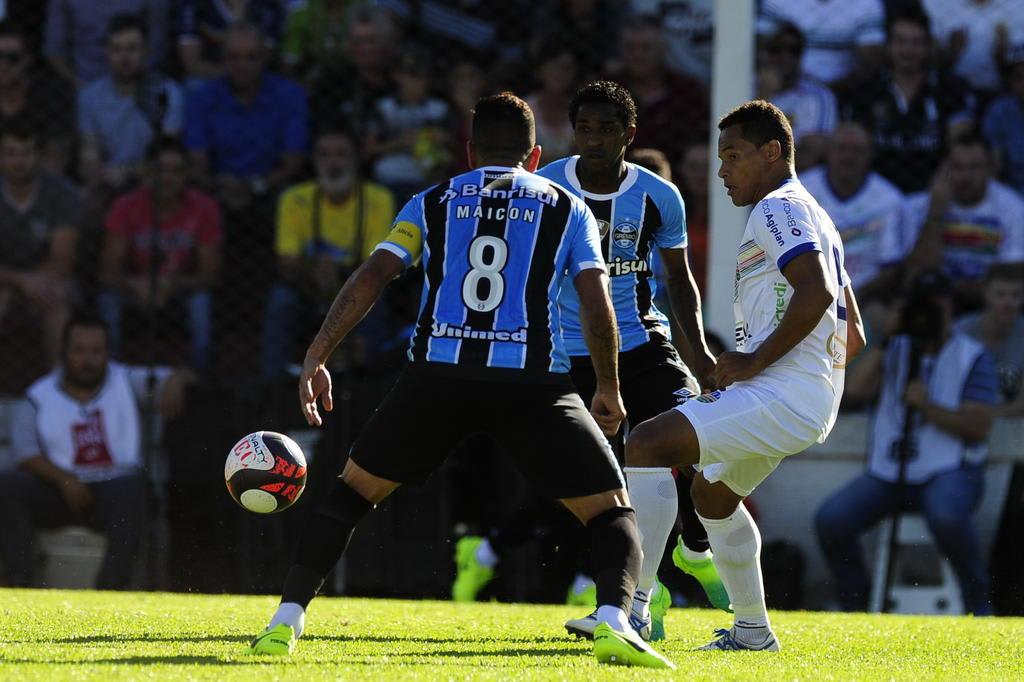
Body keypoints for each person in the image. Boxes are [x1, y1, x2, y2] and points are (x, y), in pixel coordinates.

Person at [245, 92, 674, 669]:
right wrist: (608, 387)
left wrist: (318, 354)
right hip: (532, 383)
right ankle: (617, 620)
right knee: (611, 512)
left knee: (348, 494)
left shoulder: (432, 200)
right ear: (535, 153)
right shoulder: (567, 207)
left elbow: (373, 276)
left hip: (437, 378)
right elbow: (597, 305)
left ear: (470, 152)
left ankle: (285, 620)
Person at [450, 83, 724, 641]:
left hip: (645, 346)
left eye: (607, 129)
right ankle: (629, 595)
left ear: (630, 134)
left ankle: (692, 552)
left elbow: (678, 280)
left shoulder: (659, 196)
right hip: (565, 354)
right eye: (585, 129)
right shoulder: (545, 187)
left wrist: (700, 357)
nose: (595, 140)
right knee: (583, 483)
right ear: (573, 133)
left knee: (697, 440)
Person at [614, 99, 866, 650]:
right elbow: (855, 334)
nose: (722, 169)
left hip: (784, 392)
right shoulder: (815, 214)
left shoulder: (776, 209)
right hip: (801, 396)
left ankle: (631, 608)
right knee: (712, 496)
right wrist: (806, 382)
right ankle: (752, 630)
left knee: (648, 443)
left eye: (733, 155)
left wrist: (758, 363)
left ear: (773, 152)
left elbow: (817, 291)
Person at [817, 270, 1001, 615]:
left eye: (935, 305)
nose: (926, 313)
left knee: (946, 515)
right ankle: (856, 602)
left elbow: (979, 426)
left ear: (950, 308)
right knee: (832, 520)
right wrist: (887, 341)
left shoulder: (972, 355)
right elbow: (853, 392)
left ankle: (978, 603)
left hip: (952, 470)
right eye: (919, 306)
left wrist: (927, 407)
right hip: (889, 472)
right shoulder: (894, 347)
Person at [0, 312, 191, 589]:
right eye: (79, 351)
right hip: (59, 489)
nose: (87, 360)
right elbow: (25, 453)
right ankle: (22, 580)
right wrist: (65, 481)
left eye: (96, 351)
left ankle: (110, 590)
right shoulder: (38, 396)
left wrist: (175, 379)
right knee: (7, 486)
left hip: (115, 489)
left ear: (107, 352)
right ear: (63, 352)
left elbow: (169, 377)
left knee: (135, 490)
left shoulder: (125, 380)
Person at [262, 128, 395, 379]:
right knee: (281, 300)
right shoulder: (295, 198)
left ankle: (373, 381)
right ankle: (274, 383)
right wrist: (314, 272)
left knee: (377, 304)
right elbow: (287, 261)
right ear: (314, 161)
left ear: (355, 160)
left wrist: (339, 275)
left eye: (341, 155)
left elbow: (377, 263)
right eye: (324, 155)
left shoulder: (378, 199)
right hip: (307, 284)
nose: (333, 163)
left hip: (359, 286)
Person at [97, 136, 222, 373]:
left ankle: (200, 380)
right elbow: (107, 272)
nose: (168, 178)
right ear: (147, 172)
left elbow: (210, 275)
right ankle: (109, 378)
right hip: (134, 287)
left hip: (183, 289)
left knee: (201, 304)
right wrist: (136, 285)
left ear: (187, 174)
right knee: (108, 301)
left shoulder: (204, 207)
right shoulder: (125, 206)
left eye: (176, 171)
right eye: (160, 170)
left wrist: (172, 284)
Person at [842, 9, 975, 194]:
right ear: (887, 46)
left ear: (929, 47)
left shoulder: (951, 90)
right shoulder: (866, 91)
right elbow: (855, 145)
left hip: (934, 191)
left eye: (916, 42)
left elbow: (960, 145)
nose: (908, 50)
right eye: (900, 42)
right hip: (876, 192)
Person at [184, 21, 308, 214]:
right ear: (223, 59)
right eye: (234, 58)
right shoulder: (201, 98)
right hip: (218, 190)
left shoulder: (290, 96)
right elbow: (197, 161)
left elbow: (292, 162)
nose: (243, 66)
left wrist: (254, 186)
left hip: (271, 190)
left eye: (252, 57)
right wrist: (221, 185)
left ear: (264, 57)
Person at [902, 133, 1024, 310]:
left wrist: (964, 287)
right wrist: (935, 213)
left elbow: (1012, 272)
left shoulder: (1013, 208)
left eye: (974, 168)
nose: (965, 176)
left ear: (990, 170)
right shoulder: (918, 207)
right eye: (957, 167)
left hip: (989, 300)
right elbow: (917, 272)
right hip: (935, 299)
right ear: (944, 169)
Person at [0, 123, 80, 376]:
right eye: (11, 153)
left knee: (56, 298)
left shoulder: (61, 192)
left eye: (26, 152)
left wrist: (34, 282)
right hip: (7, 278)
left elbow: (62, 261)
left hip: (47, 278)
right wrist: (19, 280)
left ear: (39, 156)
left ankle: (58, 385)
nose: (19, 161)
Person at [78, 13, 185, 198]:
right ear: (107, 52)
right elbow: (90, 149)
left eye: (132, 48)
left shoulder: (168, 93)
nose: (124, 57)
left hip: (153, 184)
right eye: (116, 49)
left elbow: (168, 154)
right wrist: (97, 172)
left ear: (146, 51)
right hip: (106, 183)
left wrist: (128, 172)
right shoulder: (89, 96)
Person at [800, 122, 904, 301]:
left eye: (858, 151)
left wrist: (851, 299)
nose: (849, 157)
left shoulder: (889, 199)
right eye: (842, 148)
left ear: (871, 155)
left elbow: (889, 267)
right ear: (828, 152)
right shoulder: (800, 191)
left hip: (865, 297)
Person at [611, 17, 708, 164]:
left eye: (646, 48)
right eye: (631, 48)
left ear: (663, 50)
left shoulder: (686, 91)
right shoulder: (610, 90)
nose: (638, 55)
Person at [759, 21, 838, 170]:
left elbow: (811, 155)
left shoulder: (818, 96)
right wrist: (764, 97)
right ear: (764, 53)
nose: (785, 56)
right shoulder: (745, 88)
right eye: (777, 49)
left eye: (793, 50)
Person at [0, 20, 75, 175]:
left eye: (12, 58)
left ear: (28, 59)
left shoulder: (52, 97)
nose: (3, 65)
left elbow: (56, 165)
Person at [758, 0, 885, 85]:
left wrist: (827, 93)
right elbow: (760, 48)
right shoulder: (775, 2)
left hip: (846, 93)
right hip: (786, 89)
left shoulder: (868, 3)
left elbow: (871, 62)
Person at [44, 0, 168, 85]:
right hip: (85, 81)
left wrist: (139, 82)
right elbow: (54, 52)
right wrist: (80, 87)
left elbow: (157, 43)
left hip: (140, 81)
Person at [955, 263, 1024, 411]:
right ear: (986, 294)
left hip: (1010, 425)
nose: (1008, 303)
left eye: (1015, 295)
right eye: (1000, 294)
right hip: (959, 420)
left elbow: (1021, 405)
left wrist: (985, 416)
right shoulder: (960, 333)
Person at [174, 0, 284, 84]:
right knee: (195, 84)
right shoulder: (195, 4)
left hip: (255, 79)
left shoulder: (267, 7)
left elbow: (263, 58)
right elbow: (192, 63)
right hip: (209, 76)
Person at [982, 44, 1024, 195]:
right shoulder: (999, 112)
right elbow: (994, 167)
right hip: (1014, 199)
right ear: (1010, 81)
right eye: (1019, 77)